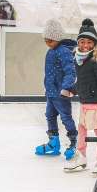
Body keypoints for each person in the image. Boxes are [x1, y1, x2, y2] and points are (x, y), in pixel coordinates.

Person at [64, 19, 97, 174]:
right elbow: (82, 81)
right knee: (82, 130)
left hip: (96, 102)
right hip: (84, 103)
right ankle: (81, 157)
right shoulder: (79, 59)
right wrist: (72, 90)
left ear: (94, 44)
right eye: (82, 42)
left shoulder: (96, 60)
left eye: (89, 43)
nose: (85, 45)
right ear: (78, 42)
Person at [35, 19, 78, 160]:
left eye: (50, 40)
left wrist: (66, 88)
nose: (48, 43)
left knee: (66, 118)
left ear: (58, 38)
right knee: (50, 115)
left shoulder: (64, 51)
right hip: (51, 93)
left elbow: (70, 72)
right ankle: (54, 143)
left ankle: (73, 142)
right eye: (46, 40)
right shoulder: (51, 51)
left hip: (61, 93)